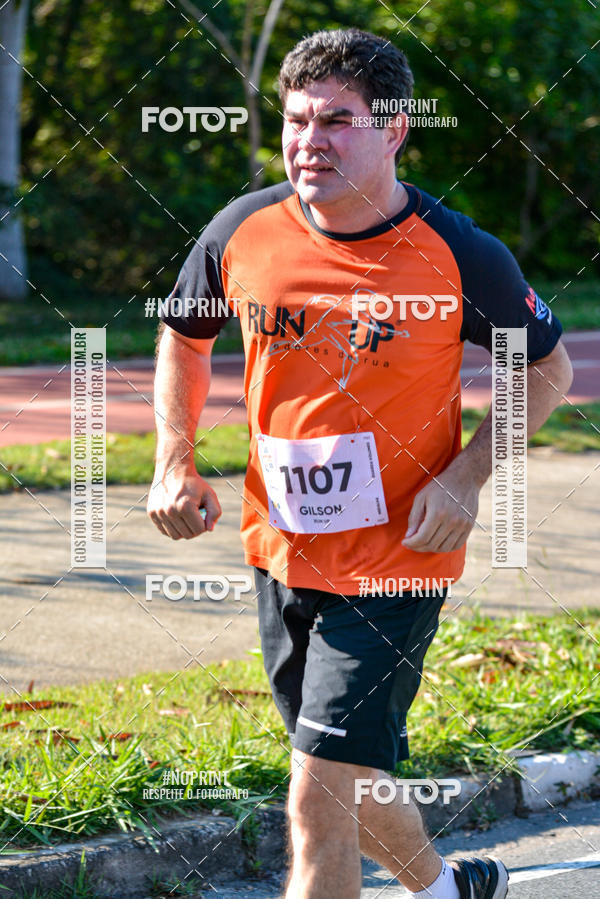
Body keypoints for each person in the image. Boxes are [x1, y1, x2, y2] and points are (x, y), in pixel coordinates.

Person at [147, 27, 572, 899]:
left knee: (313, 794)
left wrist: (466, 475)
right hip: (281, 548)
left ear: (394, 132)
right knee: (341, 765)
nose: (310, 141)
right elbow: (184, 335)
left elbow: (549, 369)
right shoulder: (242, 229)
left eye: (337, 121)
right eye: (297, 121)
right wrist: (174, 459)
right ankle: (447, 886)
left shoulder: (459, 253)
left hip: (399, 557)